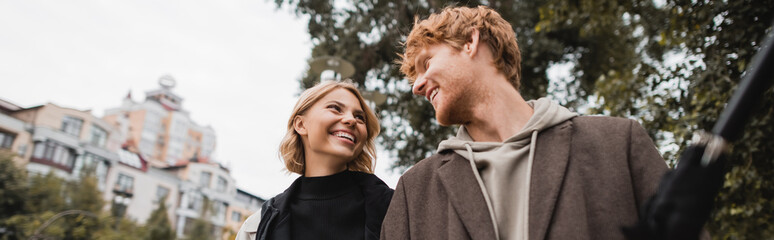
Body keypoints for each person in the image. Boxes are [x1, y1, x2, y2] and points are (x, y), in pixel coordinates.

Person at [380, 6, 672, 240]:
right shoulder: (414, 192)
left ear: (471, 42)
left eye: (426, 63)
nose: (417, 86)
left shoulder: (617, 144)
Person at [236, 80, 393, 240]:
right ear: (301, 124)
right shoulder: (258, 226)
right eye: (335, 108)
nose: (351, 120)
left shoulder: (395, 206)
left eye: (360, 117)